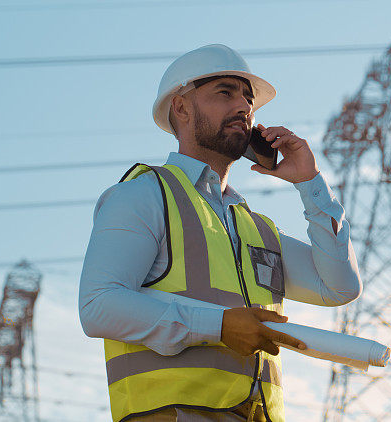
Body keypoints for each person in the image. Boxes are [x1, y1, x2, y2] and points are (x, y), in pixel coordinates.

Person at [78, 44, 362, 422]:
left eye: (248, 100)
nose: (244, 107)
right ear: (181, 108)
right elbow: (98, 305)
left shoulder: (256, 228)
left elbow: (340, 287)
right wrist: (219, 326)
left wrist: (310, 185)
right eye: (225, 93)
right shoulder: (143, 195)